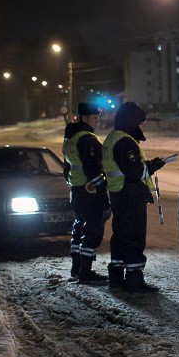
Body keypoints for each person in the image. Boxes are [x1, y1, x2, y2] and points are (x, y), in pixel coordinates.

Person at [102, 102, 165, 293]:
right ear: (131, 122)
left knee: (120, 236)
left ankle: (116, 277)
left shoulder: (112, 138)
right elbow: (136, 171)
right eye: (140, 123)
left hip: (118, 193)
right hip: (130, 196)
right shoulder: (125, 141)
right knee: (134, 238)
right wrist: (154, 165)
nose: (141, 127)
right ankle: (134, 280)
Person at [62, 102, 111, 284]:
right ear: (84, 118)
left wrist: (73, 184)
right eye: (94, 117)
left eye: (98, 117)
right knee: (92, 231)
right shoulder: (87, 139)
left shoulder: (70, 138)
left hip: (77, 190)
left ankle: (76, 268)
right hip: (89, 192)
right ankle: (86, 272)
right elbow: (93, 170)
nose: (97, 121)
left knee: (79, 227)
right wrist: (102, 194)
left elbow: (67, 168)